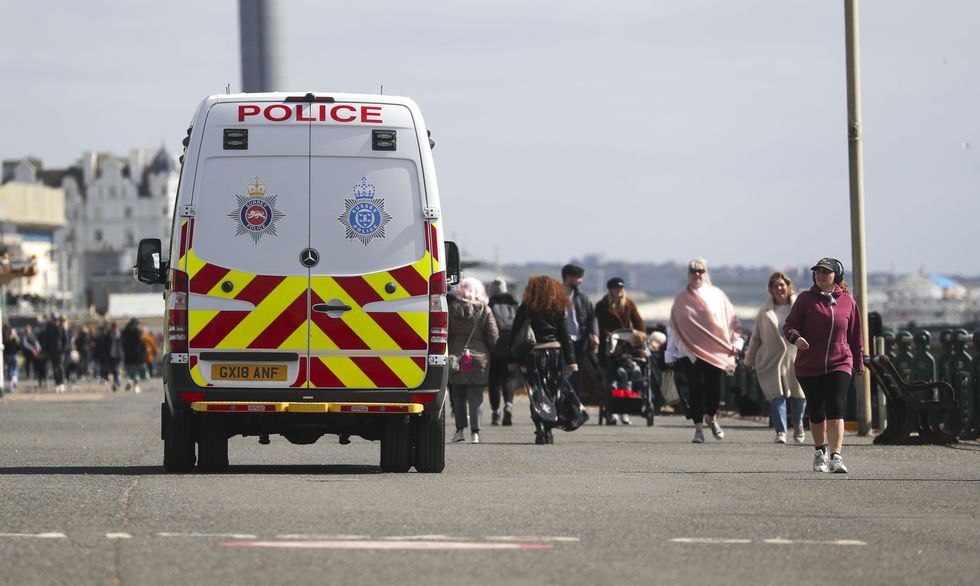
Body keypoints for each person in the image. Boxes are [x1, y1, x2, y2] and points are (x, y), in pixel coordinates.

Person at [783, 258, 864, 474]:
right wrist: (796, 338)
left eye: (826, 272)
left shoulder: (848, 302)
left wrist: (859, 362)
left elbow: (855, 336)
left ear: (836, 277)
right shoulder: (804, 300)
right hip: (810, 365)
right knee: (817, 411)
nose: (820, 275)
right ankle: (820, 451)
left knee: (836, 406)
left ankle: (836, 456)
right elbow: (789, 325)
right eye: (817, 272)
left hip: (840, 361)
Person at [666, 258, 744, 443]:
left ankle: (712, 417)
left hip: (714, 350)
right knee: (695, 390)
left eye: (700, 270)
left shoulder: (717, 295)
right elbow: (673, 328)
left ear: (706, 272)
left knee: (713, 390)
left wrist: (736, 342)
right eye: (693, 270)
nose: (697, 274)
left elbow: (731, 320)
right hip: (689, 351)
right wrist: (669, 353)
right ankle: (698, 428)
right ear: (688, 273)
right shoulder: (681, 299)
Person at [510, 276, 578, 444]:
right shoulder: (557, 308)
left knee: (536, 393)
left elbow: (515, 334)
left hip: (532, 355)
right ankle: (548, 428)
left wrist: (512, 359)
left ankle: (539, 425)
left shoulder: (526, 307)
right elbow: (565, 336)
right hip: (554, 354)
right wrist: (572, 361)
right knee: (552, 393)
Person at [744, 272, 807, 444]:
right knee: (776, 395)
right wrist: (749, 360)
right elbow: (756, 337)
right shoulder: (764, 312)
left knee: (799, 394)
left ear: (788, 286)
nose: (780, 288)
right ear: (771, 290)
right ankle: (781, 432)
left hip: (795, 356)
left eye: (782, 285)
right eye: (776, 286)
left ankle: (799, 425)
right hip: (772, 359)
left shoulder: (799, 306)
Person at [447, 278, 498, 444]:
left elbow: (446, 334)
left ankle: (460, 430)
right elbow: (493, 335)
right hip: (479, 358)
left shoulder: (452, 309)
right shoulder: (485, 310)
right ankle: (475, 433)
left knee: (458, 395)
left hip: (457, 357)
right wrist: (488, 351)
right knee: (476, 396)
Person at [594, 277, 644, 424]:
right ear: (610, 290)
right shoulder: (602, 306)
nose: (619, 291)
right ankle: (612, 410)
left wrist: (640, 337)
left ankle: (625, 410)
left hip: (626, 348)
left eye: (621, 288)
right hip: (609, 348)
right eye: (616, 288)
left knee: (626, 380)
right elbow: (598, 326)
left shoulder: (628, 304)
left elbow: (639, 322)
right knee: (611, 382)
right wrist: (610, 336)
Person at [561, 264, 599, 400]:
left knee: (576, 375)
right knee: (561, 374)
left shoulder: (582, 297)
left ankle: (574, 404)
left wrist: (595, 334)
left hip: (579, 342)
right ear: (568, 278)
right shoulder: (556, 296)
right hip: (561, 342)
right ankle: (561, 403)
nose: (580, 281)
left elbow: (592, 317)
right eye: (578, 277)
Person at [487, 278, 519, 426]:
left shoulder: (489, 304)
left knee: (494, 380)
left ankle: (495, 412)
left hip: (494, 347)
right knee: (509, 379)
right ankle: (509, 405)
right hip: (511, 346)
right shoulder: (514, 304)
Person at [122, 318, 146, 393]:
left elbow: (122, 343)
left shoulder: (125, 331)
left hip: (128, 354)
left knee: (130, 370)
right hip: (136, 354)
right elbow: (140, 342)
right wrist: (144, 350)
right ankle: (135, 385)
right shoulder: (136, 331)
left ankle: (130, 381)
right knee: (136, 371)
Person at [3, 325, 20, 394]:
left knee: (11, 370)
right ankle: (14, 381)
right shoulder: (14, 340)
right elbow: (19, 348)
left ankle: (12, 383)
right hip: (13, 356)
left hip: (10, 356)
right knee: (14, 369)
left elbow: (5, 349)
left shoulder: (7, 340)